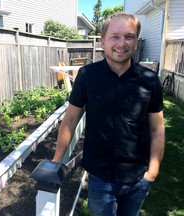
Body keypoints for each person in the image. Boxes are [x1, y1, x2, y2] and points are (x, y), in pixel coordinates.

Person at [52, 12, 165, 216]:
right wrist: (56, 160)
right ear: (102, 41)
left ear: (136, 42)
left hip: (138, 177)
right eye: (115, 36)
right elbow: (70, 120)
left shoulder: (149, 80)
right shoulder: (87, 76)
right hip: (100, 177)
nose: (122, 43)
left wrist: (153, 170)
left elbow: (157, 129)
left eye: (129, 36)